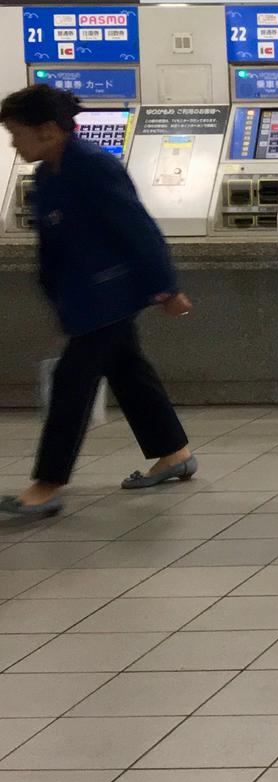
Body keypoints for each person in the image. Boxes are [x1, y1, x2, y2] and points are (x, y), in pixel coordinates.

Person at [0, 84, 196, 519]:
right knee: (127, 370)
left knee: (72, 384)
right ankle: (174, 452)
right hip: (83, 296)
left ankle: (46, 484)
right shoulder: (49, 173)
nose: (13, 143)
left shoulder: (92, 166)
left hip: (108, 295)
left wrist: (166, 287)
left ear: (49, 130)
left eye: (18, 133)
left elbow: (138, 228)